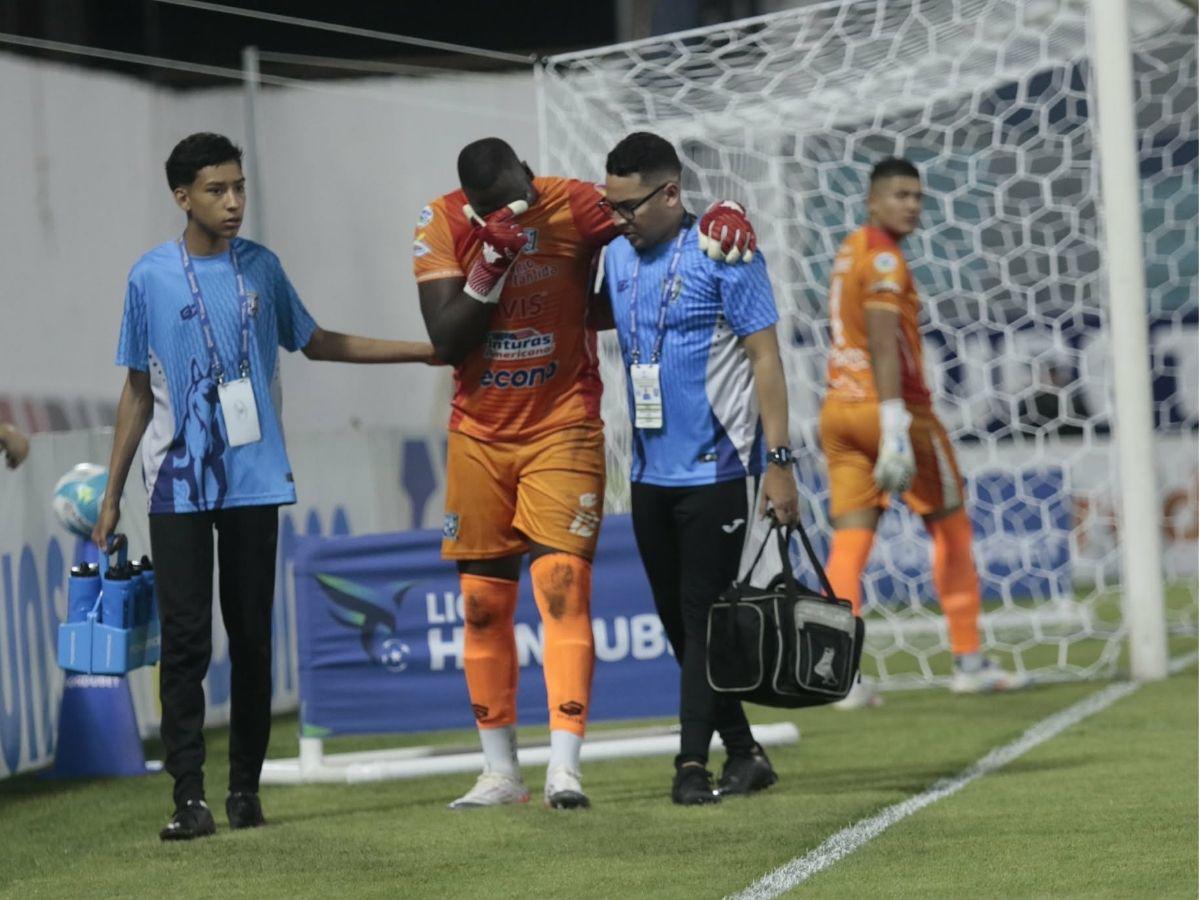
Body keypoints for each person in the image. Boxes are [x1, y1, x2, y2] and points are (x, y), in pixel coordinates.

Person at [93, 132, 437, 841]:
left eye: (240, 187)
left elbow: (316, 341)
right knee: (187, 641)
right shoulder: (148, 277)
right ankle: (188, 797)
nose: (234, 202)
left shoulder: (263, 270)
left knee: (251, 638)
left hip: (254, 482)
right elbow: (135, 391)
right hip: (177, 488)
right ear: (181, 197)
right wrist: (110, 492)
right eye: (217, 190)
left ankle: (243, 788)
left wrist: (428, 351)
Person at [414, 137, 757, 810]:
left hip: (562, 425)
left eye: (517, 195)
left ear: (529, 178)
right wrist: (489, 263)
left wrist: (727, 208)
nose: (509, 208)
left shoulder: (571, 203)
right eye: (492, 204)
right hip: (478, 433)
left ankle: (564, 768)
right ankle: (499, 772)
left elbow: (653, 213)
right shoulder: (441, 221)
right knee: (483, 605)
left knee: (564, 587)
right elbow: (445, 339)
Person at [598, 131, 801, 805]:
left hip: (718, 471)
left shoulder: (727, 252)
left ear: (671, 193)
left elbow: (766, 359)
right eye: (612, 207)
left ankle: (691, 766)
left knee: (701, 614)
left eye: (629, 207)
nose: (618, 219)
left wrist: (779, 464)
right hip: (649, 474)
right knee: (680, 626)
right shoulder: (617, 259)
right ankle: (745, 753)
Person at [819, 157, 1024, 708]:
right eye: (901, 195)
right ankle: (968, 660)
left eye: (918, 196)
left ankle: (843, 677)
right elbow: (884, 342)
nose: (912, 205)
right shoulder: (885, 257)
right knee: (952, 530)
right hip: (893, 411)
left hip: (838, 409)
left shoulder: (848, 249)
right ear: (873, 200)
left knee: (850, 543)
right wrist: (893, 423)